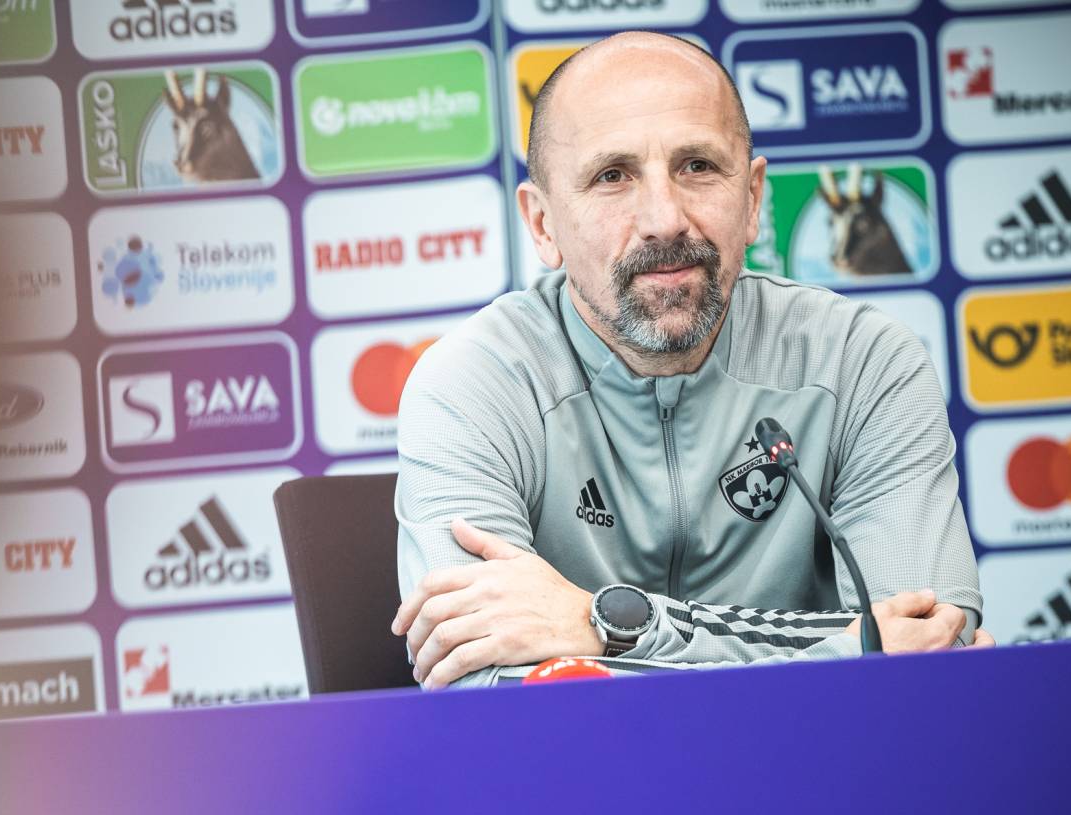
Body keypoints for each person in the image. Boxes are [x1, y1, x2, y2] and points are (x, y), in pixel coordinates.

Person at [390, 31, 991, 690]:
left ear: (753, 199)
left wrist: (610, 624)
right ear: (542, 223)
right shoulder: (473, 384)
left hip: (814, 759)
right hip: (613, 767)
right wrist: (840, 649)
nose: (664, 219)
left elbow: (927, 654)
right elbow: (489, 687)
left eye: (697, 166)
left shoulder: (862, 363)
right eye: (612, 176)